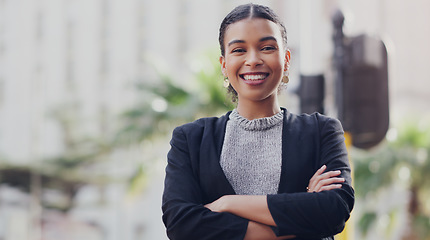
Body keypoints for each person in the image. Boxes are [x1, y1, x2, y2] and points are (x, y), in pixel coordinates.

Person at [162, 3, 354, 240]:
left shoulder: (322, 131)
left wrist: (228, 203)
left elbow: (334, 210)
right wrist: (302, 215)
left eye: (266, 47)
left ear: (286, 59)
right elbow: (181, 224)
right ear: (224, 65)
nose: (253, 60)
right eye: (239, 50)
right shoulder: (191, 140)